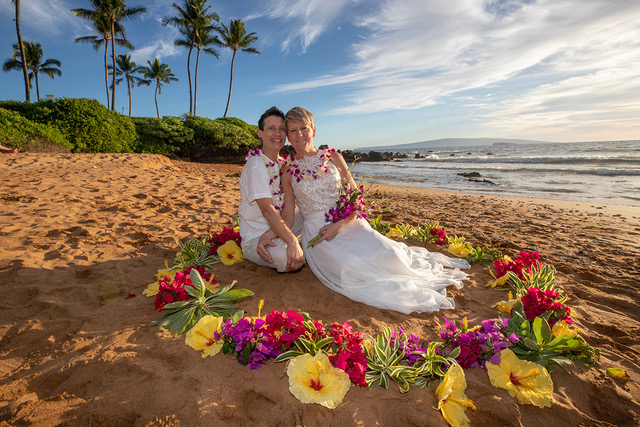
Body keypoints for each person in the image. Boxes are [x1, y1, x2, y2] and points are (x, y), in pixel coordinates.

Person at [280, 107, 469, 314]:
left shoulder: (334, 158)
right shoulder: (288, 171)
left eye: (303, 128)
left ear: (314, 130)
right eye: (293, 131)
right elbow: (288, 217)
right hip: (318, 235)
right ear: (287, 136)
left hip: (346, 223)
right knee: (349, 268)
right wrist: (269, 235)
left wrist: (340, 224)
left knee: (388, 254)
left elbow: (357, 201)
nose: (299, 135)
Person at [238, 107, 305, 273]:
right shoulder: (256, 165)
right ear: (260, 133)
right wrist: (291, 241)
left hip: (279, 228)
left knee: (313, 210)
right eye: (271, 129)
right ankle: (293, 245)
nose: (277, 134)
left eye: (282, 129)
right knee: (287, 259)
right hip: (256, 238)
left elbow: (288, 209)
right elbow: (267, 209)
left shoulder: (283, 165)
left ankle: (297, 244)